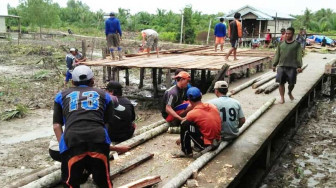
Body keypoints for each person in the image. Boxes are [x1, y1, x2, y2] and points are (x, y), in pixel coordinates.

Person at [53, 65, 128, 187]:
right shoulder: (104, 96)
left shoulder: (61, 96)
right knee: (104, 181)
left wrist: (63, 146)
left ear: (72, 82)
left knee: (70, 182)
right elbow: (107, 123)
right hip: (98, 139)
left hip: (73, 139)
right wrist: (105, 142)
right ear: (92, 81)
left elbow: (57, 125)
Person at [172, 87, 221, 158]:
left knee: (184, 124)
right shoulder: (212, 106)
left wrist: (181, 139)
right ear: (201, 96)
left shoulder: (192, 113)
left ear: (189, 100)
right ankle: (199, 144)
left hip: (208, 145)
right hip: (217, 140)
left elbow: (185, 126)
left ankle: (186, 152)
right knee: (195, 123)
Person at [273, 27, 303, 104]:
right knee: (281, 83)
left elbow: (299, 55)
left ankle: (289, 92)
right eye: (286, 33)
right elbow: (277, 55)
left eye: (289, 33)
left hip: (292, 66)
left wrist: (299, 66)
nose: (287, 35)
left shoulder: (296, 44)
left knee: (292, 83)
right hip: (281, 66)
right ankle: (282, 98)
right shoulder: (281, 44)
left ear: (293, 34)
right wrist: (274, 64)